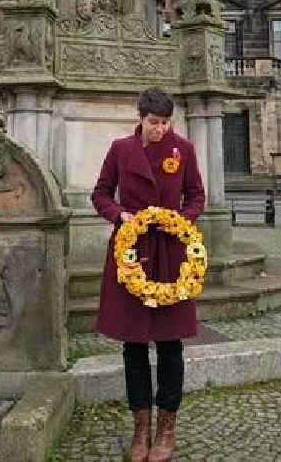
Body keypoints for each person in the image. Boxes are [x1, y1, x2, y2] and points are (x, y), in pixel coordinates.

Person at [91, 87, 205, 462]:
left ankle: (166, 431)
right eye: (154, 122)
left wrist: (179, 222)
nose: (160, 129)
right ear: (140, 118)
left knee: (171, 343)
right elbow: (101, 195)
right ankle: (140, 430)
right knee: (134, 343)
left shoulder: (183, 149)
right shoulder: (121, 149)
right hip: (132, 252)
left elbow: (196, 196)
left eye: (165, 122)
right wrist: (119, 215)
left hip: (171, 252)